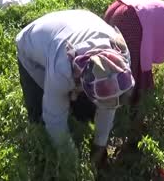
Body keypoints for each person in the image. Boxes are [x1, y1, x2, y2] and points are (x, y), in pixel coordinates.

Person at [15, 10, 136, 169]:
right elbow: (54, 118)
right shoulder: (62, 69)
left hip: (74, 24)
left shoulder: (121, 57)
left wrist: (100, 145)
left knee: (84, 111)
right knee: (41, 118)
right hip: (31, 45)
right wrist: (70, 160)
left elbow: (109, 105)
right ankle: (43, 163)